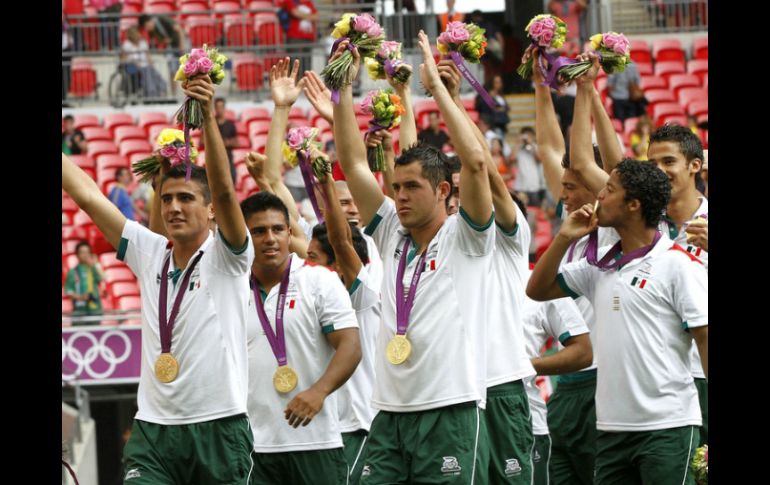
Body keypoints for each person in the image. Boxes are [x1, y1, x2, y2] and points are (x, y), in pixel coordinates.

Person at [62, 73, 256, 484]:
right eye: (166, 198)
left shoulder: (229, 256)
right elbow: (89, 196)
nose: (173, 207)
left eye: (186, 198)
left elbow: (223, 189)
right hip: (153, 429)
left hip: (219, 425)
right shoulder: (150, 252)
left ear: (211, 212)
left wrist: (206, 114)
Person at [330, 32, 496, 484]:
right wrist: (341, 86)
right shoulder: (390, 235)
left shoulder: (469, 237)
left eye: (411, 188)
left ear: (443, 190)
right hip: (388, 412)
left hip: (450, 408)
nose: (398, 197)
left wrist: (440, 91)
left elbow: (477, 163)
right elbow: (352, 162)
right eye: (396, 188)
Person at [527, 159, 707, 485]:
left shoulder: (676, 264)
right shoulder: (599, 267)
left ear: (634, 205)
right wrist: (564, 237)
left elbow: (705, 338)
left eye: (609, 190)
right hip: (610, 429)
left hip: (668, 427)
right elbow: (536, 289)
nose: (600, 195)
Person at [242, 191, 361, 485]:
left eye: (278, 229)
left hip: (316, 443)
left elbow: (350, 345)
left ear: (288, 232)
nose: (270, 238)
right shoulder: (231, 287)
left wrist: (319, 391)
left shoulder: (318, 279)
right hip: (251, 447)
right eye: (258, 231)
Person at [199, 97, 238, 184]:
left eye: (221, 107)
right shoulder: (210, 123)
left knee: (232, 182)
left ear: (224, 108)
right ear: (215, 108)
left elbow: (237, 143)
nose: (219, 109)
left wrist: (221, 143)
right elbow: (201, 141)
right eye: (217, 107)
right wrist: (220, 143)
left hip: (228, 159)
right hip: (213, 160)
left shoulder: (230, 125)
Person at [64, 241, 105, 322]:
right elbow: (68, 291)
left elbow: (102, 278)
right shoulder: (73, 272)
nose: (85, 255)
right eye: (82, 252)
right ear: (77, 255)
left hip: (95, 311)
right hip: (79, 312)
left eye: (87, 252)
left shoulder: (94, 269)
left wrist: (95, 264)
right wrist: (80, 297)